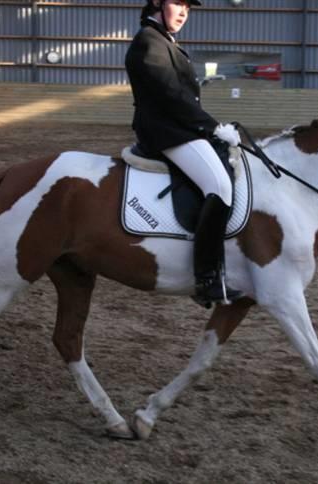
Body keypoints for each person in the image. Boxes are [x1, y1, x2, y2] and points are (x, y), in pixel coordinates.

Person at [125, 0, 242, 307]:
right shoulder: (148, 41)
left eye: (188, 8)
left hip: (180, 128)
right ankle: (205, 278)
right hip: (165, 132)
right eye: (177, 3)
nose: (183, 12)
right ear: (156, 3)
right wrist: (212, 127)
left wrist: (209, 128)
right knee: (219, 186)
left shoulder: (166, 42)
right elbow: (171, 96)